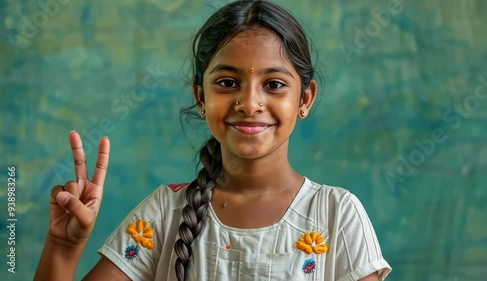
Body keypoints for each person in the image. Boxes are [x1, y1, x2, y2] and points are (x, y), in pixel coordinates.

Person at [34, 0, 392, 280]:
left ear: (305, 99)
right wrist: (64, 247)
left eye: (274, 84)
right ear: (201, 97)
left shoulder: (335, 215)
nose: (250, 103)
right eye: (227, 82)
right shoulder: (164, 214)